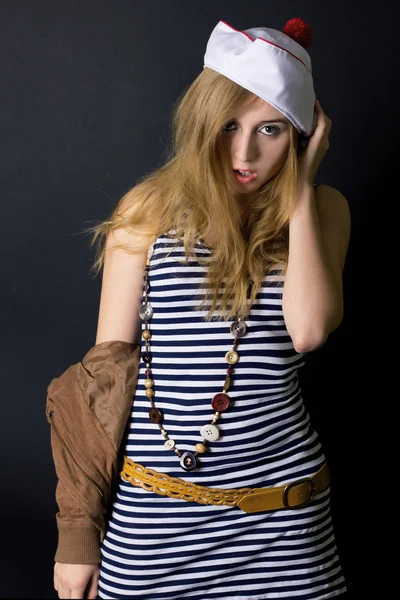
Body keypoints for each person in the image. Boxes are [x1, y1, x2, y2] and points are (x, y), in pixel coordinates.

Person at [52, 16, 351, 600]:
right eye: (228, 126)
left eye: (270, 129)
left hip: (282, 526)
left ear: (300, 132)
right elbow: (103, 379)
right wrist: (77, 536)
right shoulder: (148, 210)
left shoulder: (321, 210)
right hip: (153, 524)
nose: (244, 152)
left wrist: (297, 190)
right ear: (200, 124)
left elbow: (310, 330)